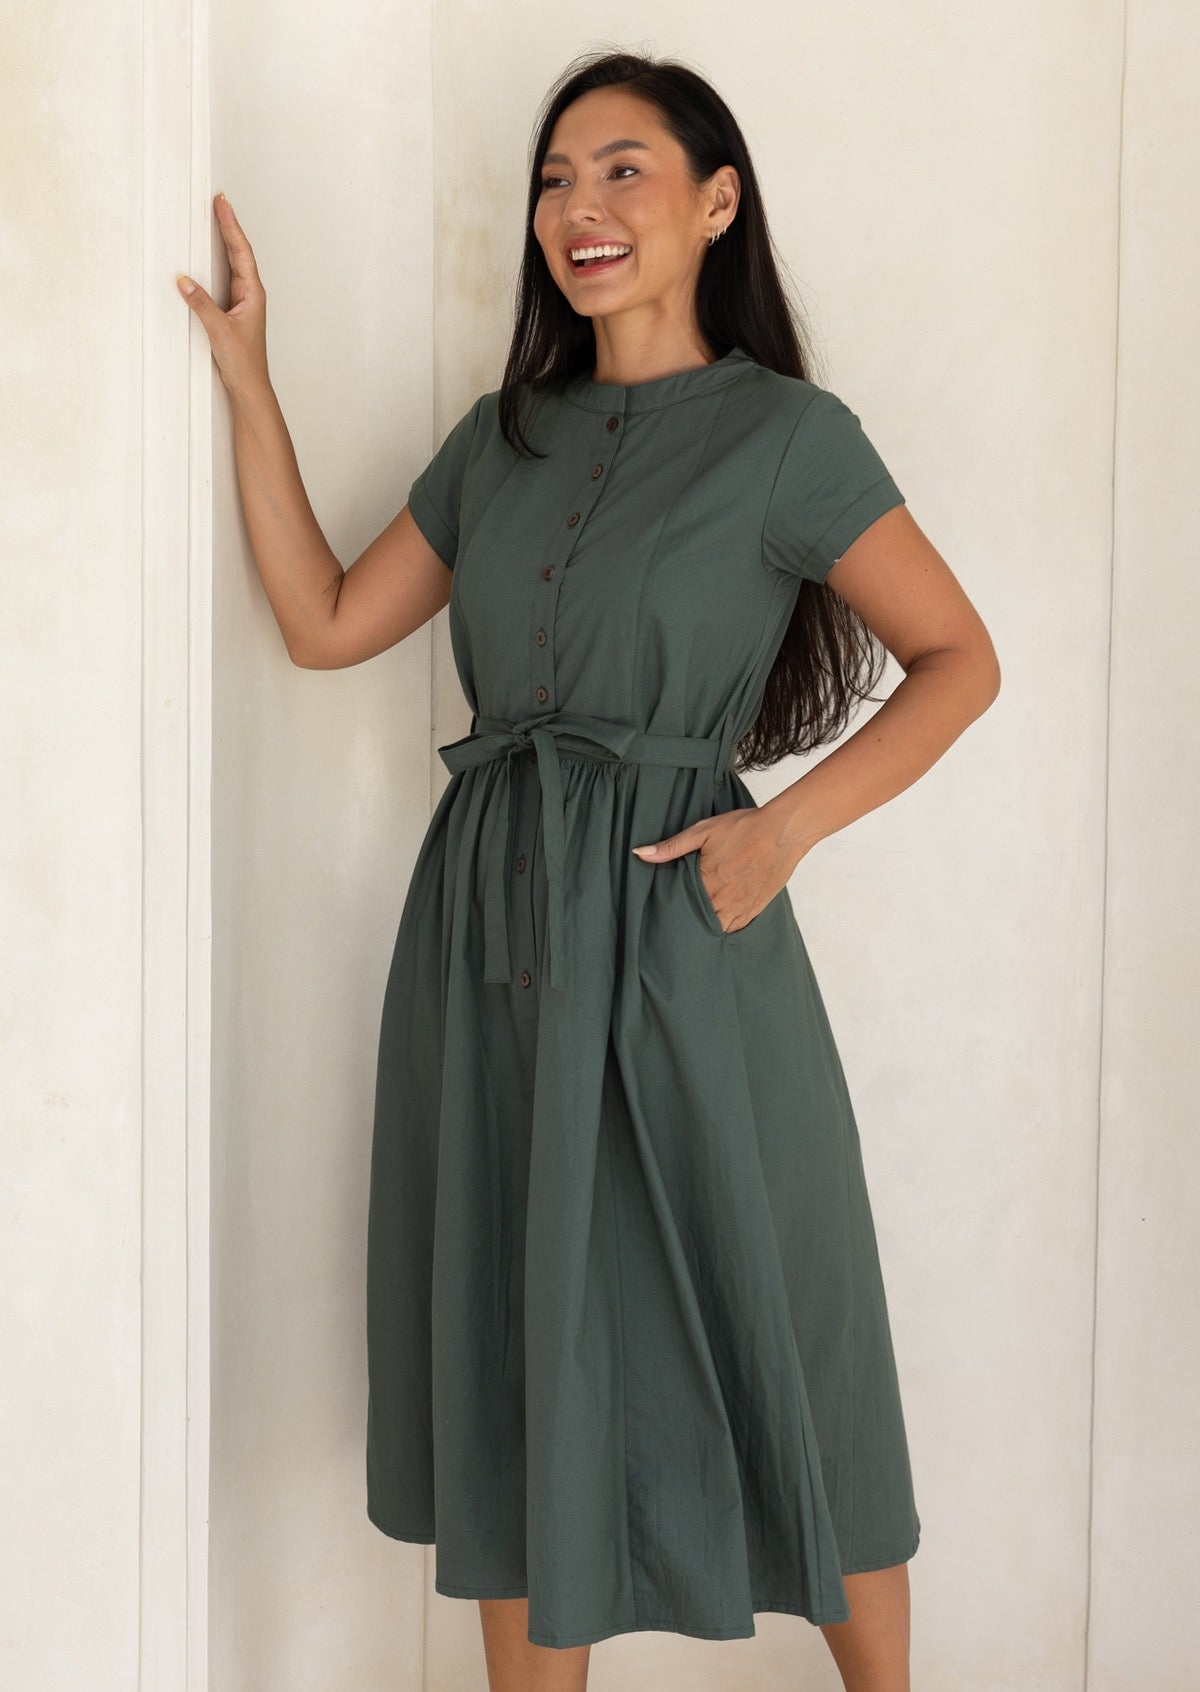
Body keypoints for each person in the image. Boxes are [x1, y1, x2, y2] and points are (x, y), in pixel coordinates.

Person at [179, 45, 999, 1692]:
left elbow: (959, 659)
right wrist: (249, 380)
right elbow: (327, 621)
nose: (580, 208)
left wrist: (781, 832)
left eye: (624, 170)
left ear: (715, 203)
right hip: (493, 930)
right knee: (523, 1322)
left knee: (785, 1312)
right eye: (559, 179)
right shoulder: (505, 439)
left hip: (691, 925)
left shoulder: (787, 436)